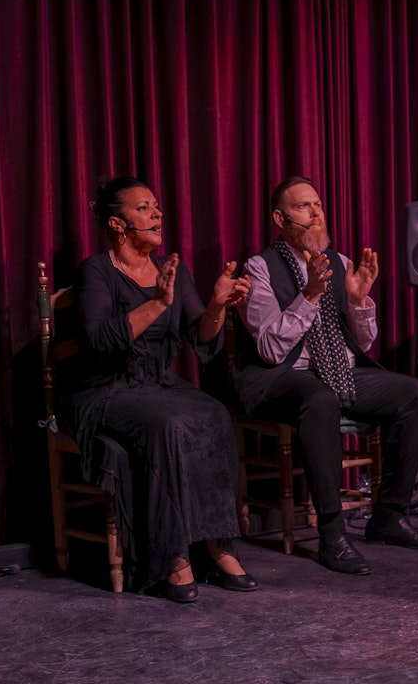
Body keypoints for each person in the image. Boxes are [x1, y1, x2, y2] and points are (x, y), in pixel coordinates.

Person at [233, 177, 418, 576]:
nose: (316, 213)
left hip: (340, 368)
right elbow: (270, 350)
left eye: (318, 205)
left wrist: (361, 299)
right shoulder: (259, 268)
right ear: (280, 218)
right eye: (303, 207)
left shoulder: (340, 261)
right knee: (320, 399)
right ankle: (333, 534)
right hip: (281, 375)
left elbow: (363, 344)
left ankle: (390, 515)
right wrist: (310, 294)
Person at [70, 177, 256, 603]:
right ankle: (172, 558)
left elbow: (200, 336)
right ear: (118, 224)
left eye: (156, 206)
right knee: (168, 425)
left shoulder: (173, 268)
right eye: (143, 208)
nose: (157, 214)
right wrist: (156, 302)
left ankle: (218, 546)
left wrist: (216, 307)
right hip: (106, 388)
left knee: (214, 415)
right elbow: (97, 341)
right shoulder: (96, 271)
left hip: (157, 382)